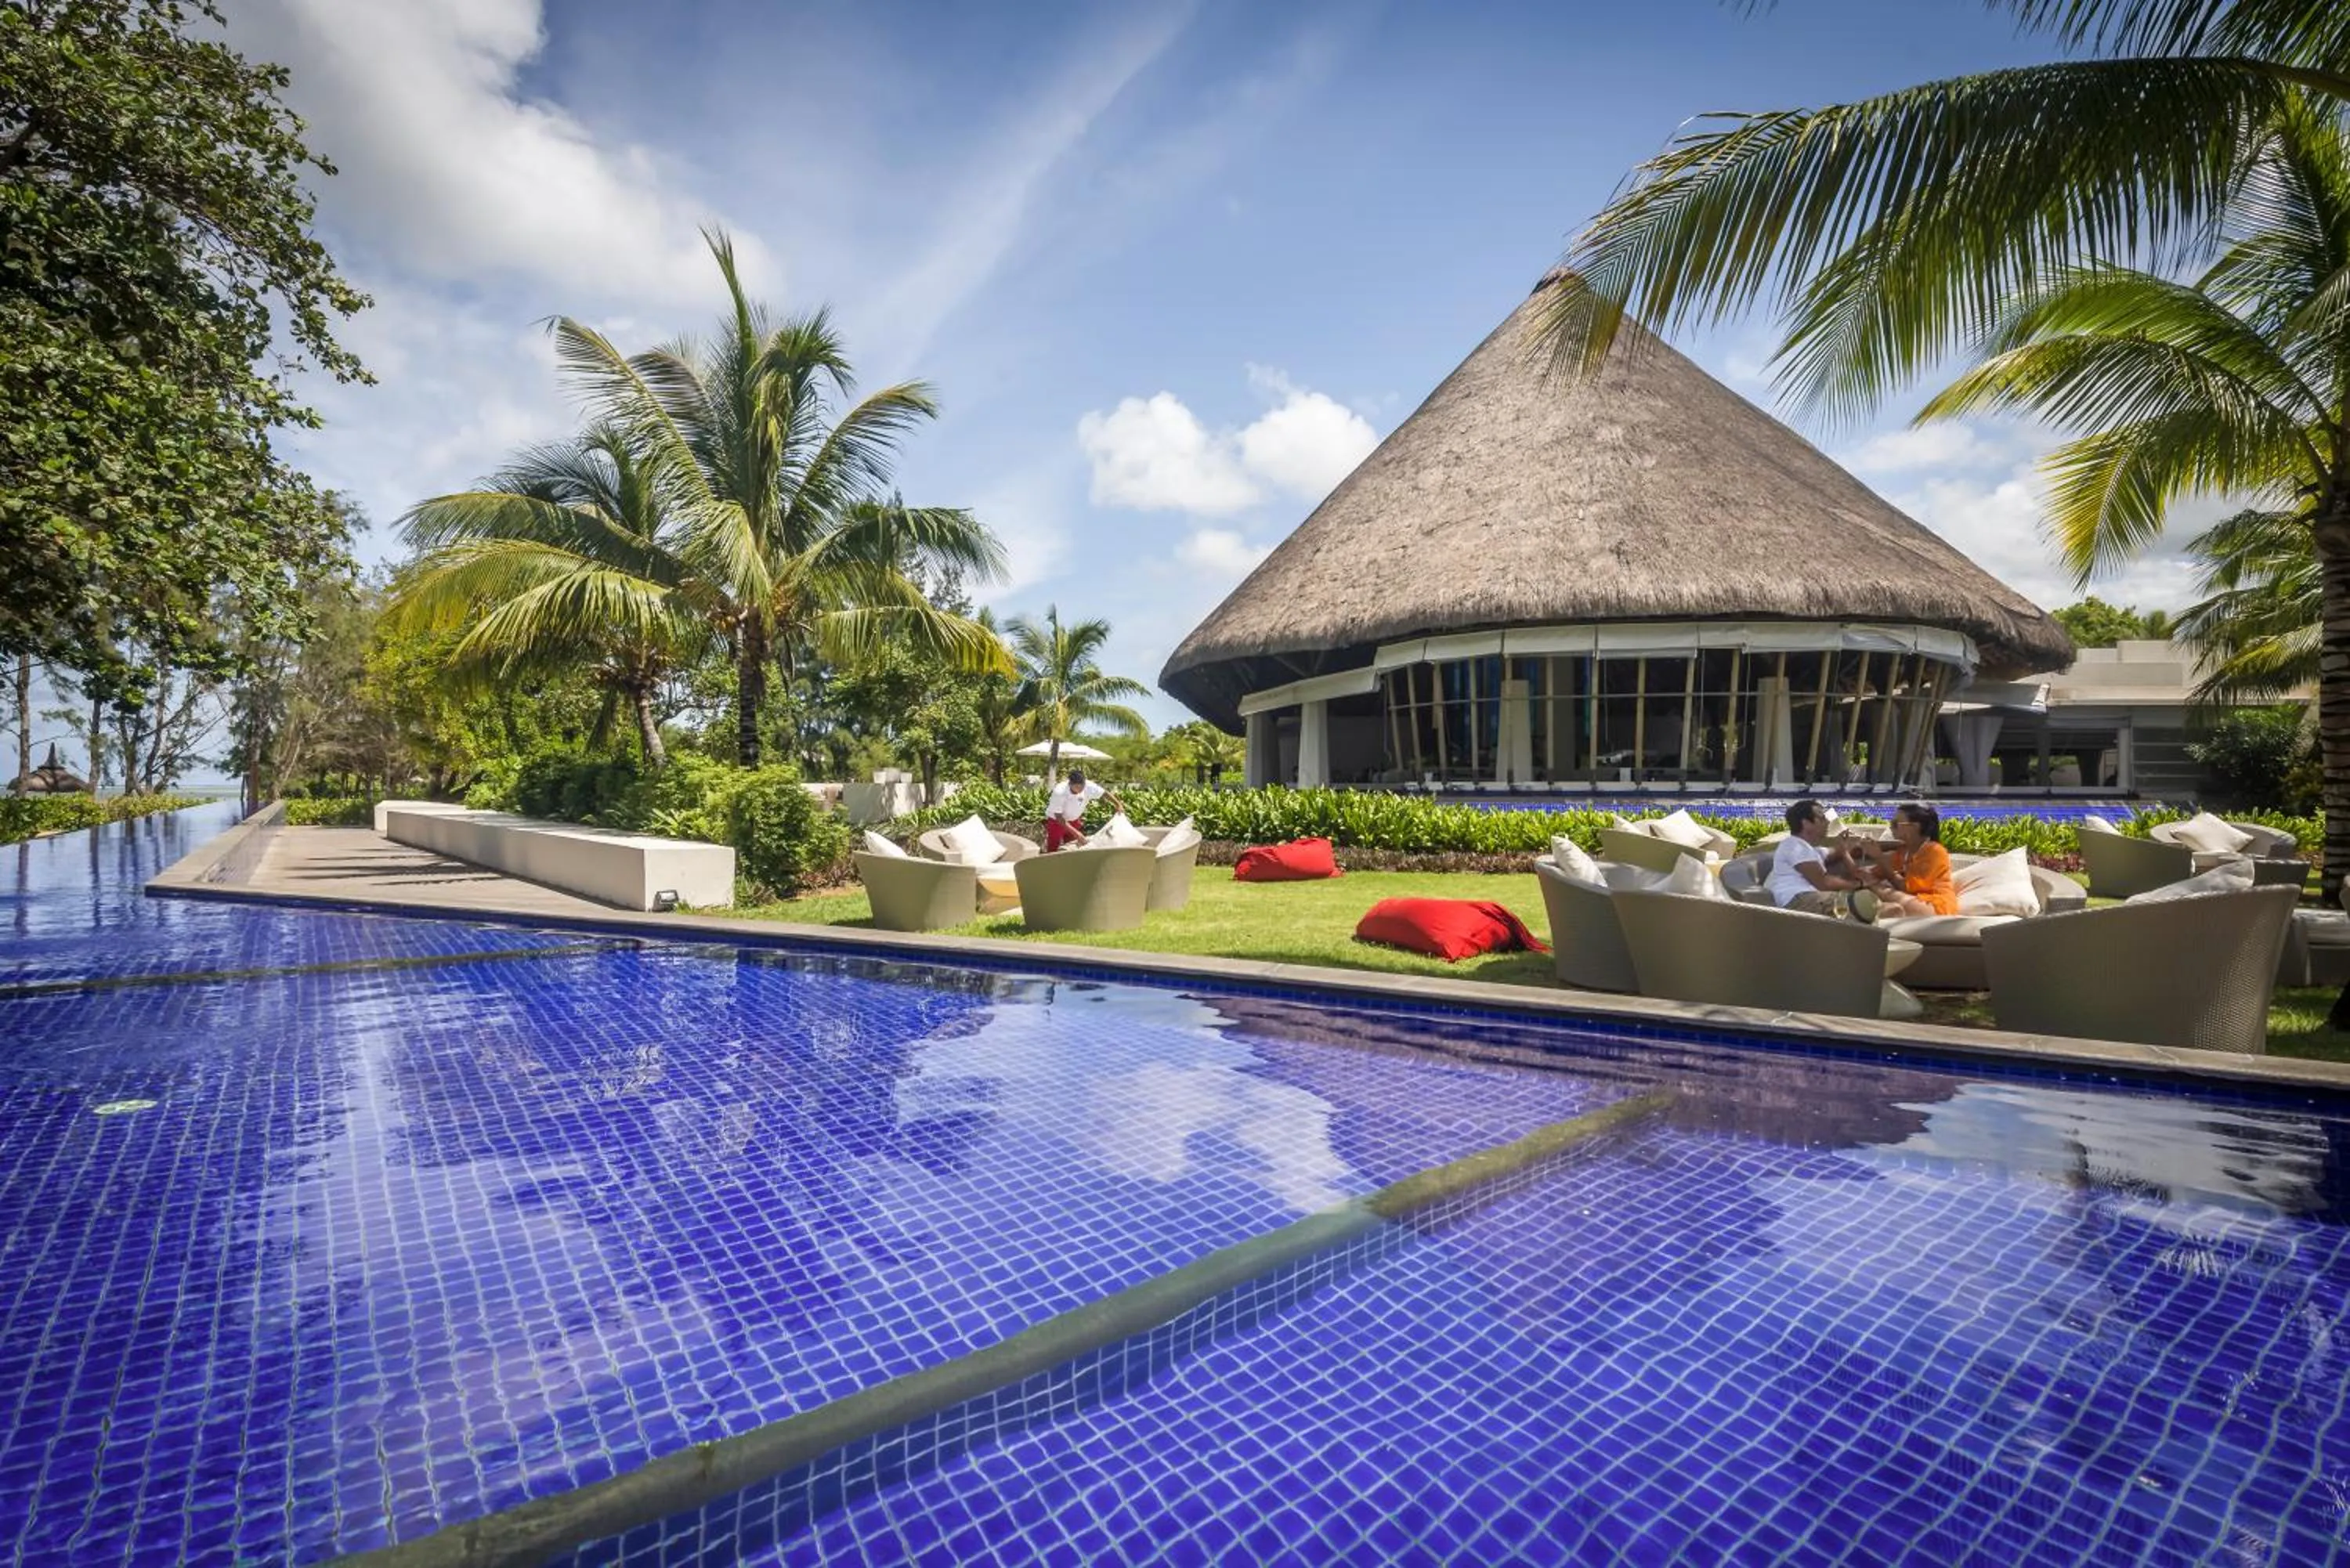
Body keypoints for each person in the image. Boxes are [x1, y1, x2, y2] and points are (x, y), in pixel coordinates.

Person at [1766, 799, 1878, 919]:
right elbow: (1824, 883)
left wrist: (1846, 848)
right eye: (1822, 818)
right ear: (1806, 823)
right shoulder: (1793, 846)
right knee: (1863, 908)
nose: (1827, 822)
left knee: (1875, 907)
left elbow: (1837, 851)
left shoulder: (1811, 850)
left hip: (1813, 898)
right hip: (1799, 899)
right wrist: (1859, 884)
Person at [1854, 803, 1960, 917]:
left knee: (1879, 889)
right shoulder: (1903, 852)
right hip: (1912, 902)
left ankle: (1882, 908)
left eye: (1895, 824)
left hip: (1935, 907)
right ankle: (1888, 910)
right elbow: (1874, 874)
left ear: (1914, 827)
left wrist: (1879, 857)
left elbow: (1906, 888)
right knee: (1868, 882)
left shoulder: (1935, 852)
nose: (1890, 827)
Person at [1043, 767, 1123, 851]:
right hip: (1057, 822)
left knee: (1072, 848)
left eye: (1082, 786)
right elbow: (1058, 817)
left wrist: (1118, 804)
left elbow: (1104, 793)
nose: (1080, 789)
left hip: (1074, 821)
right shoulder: (1060, 791)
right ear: (1070, 784)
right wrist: (1077, 834)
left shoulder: (1089, 786)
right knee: (1053, 847)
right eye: (1077, 787)